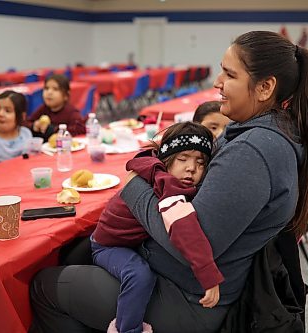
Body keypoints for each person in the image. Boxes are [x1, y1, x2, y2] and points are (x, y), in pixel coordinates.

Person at [29, 30, 308, 333]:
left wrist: (134, 188)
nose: (217, 83)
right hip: (187, 280)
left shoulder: (252, 151)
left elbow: (192, 244)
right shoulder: (263, 135)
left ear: (264, 87)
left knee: (43, 285)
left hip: (187, 298)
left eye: (229, 74)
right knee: (77, 252)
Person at [91, 121, 222, 333]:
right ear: (167, 160)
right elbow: (184, 228)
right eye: (183, 159)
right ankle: (127, 329)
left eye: (201, 162)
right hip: (108, 246)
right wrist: (208, 275)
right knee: (140, 275)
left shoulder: (157, 169)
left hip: (131, 241)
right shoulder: (166, 184)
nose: (192, 168)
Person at [26, 74, 86, 141]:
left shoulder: (71, 112)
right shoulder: (43, 109)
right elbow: (26, 123)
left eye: (55, 89)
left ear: (66, 95)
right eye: (46, 88)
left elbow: (80, 130)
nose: (49, 92)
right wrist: (34, 125)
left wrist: (53, 129)